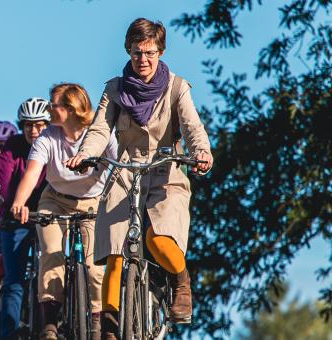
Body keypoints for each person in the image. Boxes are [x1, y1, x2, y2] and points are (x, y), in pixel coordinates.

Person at [64, 18, 213, 339]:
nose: (142, 60)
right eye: (136, 53)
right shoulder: (115, 89)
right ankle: (110, 325)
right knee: (114, 247)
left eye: (149, 53)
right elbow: (100, 128)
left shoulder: (176, 87)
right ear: (128, 52)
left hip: (166, 166)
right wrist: (85, 154)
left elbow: (192, 127)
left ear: (160, 52)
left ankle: (180, 283)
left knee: (158, 239)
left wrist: (201, 152)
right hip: (127, 168)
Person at [11, 84, 117, 340]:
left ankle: (95, 324)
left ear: (70, 109)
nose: (49, 109)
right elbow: (33, 172)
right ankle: (49, 323)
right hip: (55, 199)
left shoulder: (101, 134)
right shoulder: (48, 136)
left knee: (94, 266)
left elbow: (119, 167)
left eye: (53, 104)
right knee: (51, 255)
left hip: (93, 202)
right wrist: (20, 202)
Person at [0, 97, 50, 339]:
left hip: (47, 216)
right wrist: (1, 212)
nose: (34, 130)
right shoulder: (12, 146)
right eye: (28, 125)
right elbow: (3, 183)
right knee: (14, 281)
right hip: (15, 217)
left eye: (39, 125)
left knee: (52, 275)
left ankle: (53, 325)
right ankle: (9, 333)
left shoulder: (54, 144)